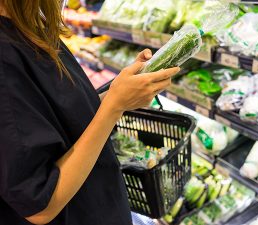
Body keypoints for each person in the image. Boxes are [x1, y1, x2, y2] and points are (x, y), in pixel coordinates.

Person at [0, 1, 180, 225]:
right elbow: (39, 205)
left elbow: (63, 114)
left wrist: (120, 96)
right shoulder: (6, 58)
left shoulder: (28, 27)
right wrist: (113, 107)